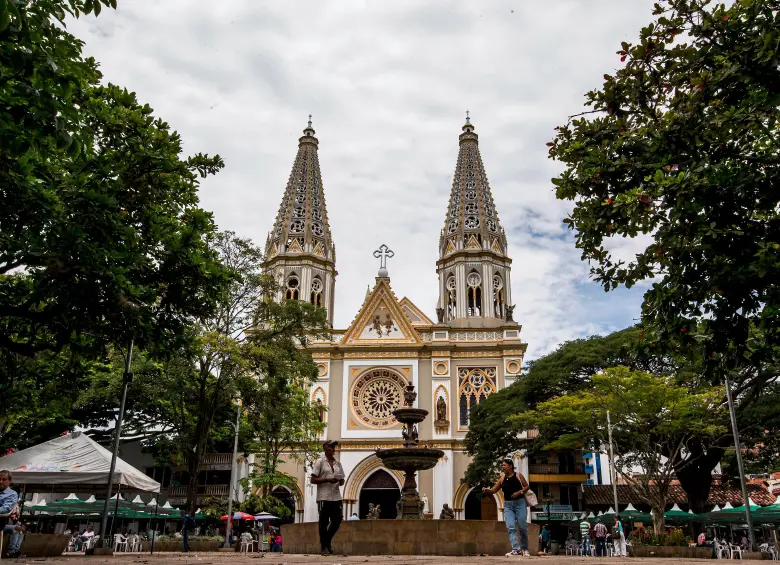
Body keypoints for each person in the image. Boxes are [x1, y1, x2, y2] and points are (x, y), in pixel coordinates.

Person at [482, 458, 530, 557]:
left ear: (510, 466)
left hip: (520, 503)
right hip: (508, 505)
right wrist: (487, 490)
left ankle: (525, 549)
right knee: (511, 527)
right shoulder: (502, 479)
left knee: (522, 526)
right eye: (502, 465)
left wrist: (519, 492)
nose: (502, 467)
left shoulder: (518, 475)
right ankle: (516, 549)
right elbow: (494, 490)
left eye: (504, 465)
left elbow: (526, 486)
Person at [311, 440, 345, 556]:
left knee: (338, 519)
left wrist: (340, 480)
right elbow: (313, 479)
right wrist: (327, 479)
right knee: (323, 522)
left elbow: (342, 481)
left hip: (336, 497)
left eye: (334, 447)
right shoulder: (319, 462)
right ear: (325, 448)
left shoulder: (338, 463)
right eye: (331, 447)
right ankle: (324, 547)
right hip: (323, 497)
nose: (333, 449)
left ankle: (327, 540)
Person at [0, 470, 23, 558]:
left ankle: (13, 551)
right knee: (18, 529)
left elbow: (5, 509)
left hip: (3, 521)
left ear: (9, 481)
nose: (1, 481)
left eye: (4, 479)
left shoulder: (12, 494)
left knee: (18, 529)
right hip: (9, 524)